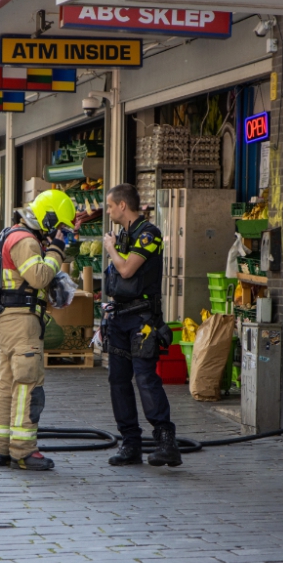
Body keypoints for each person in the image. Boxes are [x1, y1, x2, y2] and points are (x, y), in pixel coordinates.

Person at [0, 189, 74, 471]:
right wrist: (57, 249)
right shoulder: (25, 241)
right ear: (48, 218)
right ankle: (23, 451)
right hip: (22, 321)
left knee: (6, 384)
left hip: (7, 320)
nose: (59, 231)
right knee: (27, 385)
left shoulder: (11, 233)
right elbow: (38, 277)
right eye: (58, 225)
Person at [101, 183, 181, 468]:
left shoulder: (149, 234)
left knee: (146, 378)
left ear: (123, 205)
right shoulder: (123, 235)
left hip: (142, 320)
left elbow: (126, 270)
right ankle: (130, 443)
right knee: (118, 380)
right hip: (120, 318)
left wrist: (110, 248)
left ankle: (165, 441)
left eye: (110, 205)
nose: (108, 210)